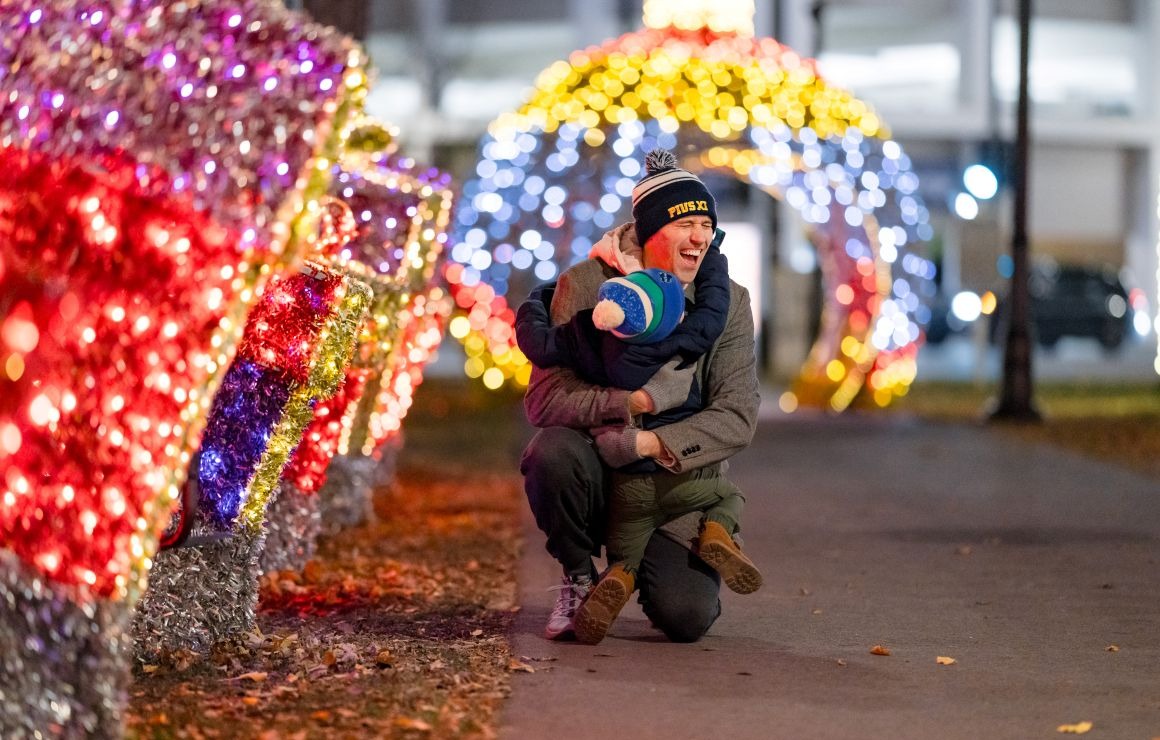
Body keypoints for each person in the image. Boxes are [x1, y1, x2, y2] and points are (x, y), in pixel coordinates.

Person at [518, 149, 762, 643]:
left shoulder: (729, 302)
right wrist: (630, 405)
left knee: (686, 617)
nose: (700, 237)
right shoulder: (587, 285)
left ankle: (679, 550)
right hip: (598, 474)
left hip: (674, 490)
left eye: (706, 225)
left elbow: (736, 415)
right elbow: (544, 401)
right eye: (685, 224)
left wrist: (650, 443)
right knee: (550, 454)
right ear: (650, 231)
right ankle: (580, 574)